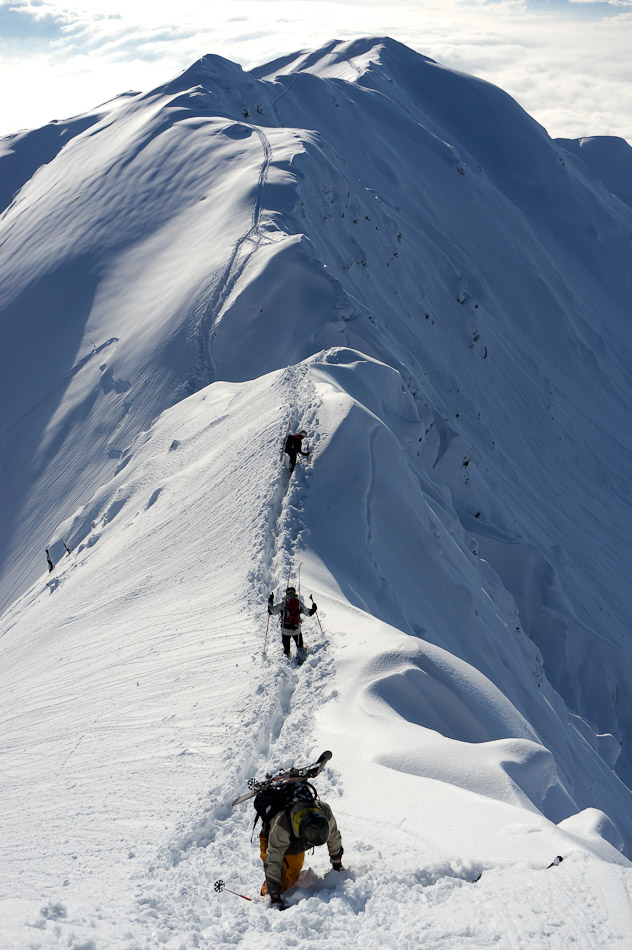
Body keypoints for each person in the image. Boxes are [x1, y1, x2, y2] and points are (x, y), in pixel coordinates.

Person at [260, 795, 344, 908]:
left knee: (293, 878)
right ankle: (265, 893)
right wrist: (275, 896)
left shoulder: (325, 811)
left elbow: (334, 838)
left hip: (295, 844)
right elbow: (273, 861)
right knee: (281, 885)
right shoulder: (282, 824)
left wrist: (337, 863)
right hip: (272, 841)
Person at [268, 587, 317, 657]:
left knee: (286, 647)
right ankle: (301, 654)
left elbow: (271, 611)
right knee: (299, 645)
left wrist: (270, 601)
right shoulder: (299, 603)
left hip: (285, 630)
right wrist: (314, 608)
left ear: (287, 593)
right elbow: (309, 613)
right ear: (294, 593)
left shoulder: (283, 603)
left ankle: (287, 656)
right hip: (296, 630)